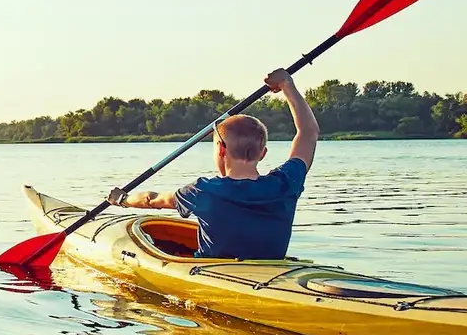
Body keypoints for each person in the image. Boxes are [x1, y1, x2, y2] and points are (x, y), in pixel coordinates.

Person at [109, 68, 320, 259]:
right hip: (271, 270)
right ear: (263, 153)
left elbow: (151, 199)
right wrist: (287, 85)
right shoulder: (286, 183)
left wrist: (123, 199)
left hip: (214, 273)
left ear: (221, 150)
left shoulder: (203, 191)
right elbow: (308, 132)